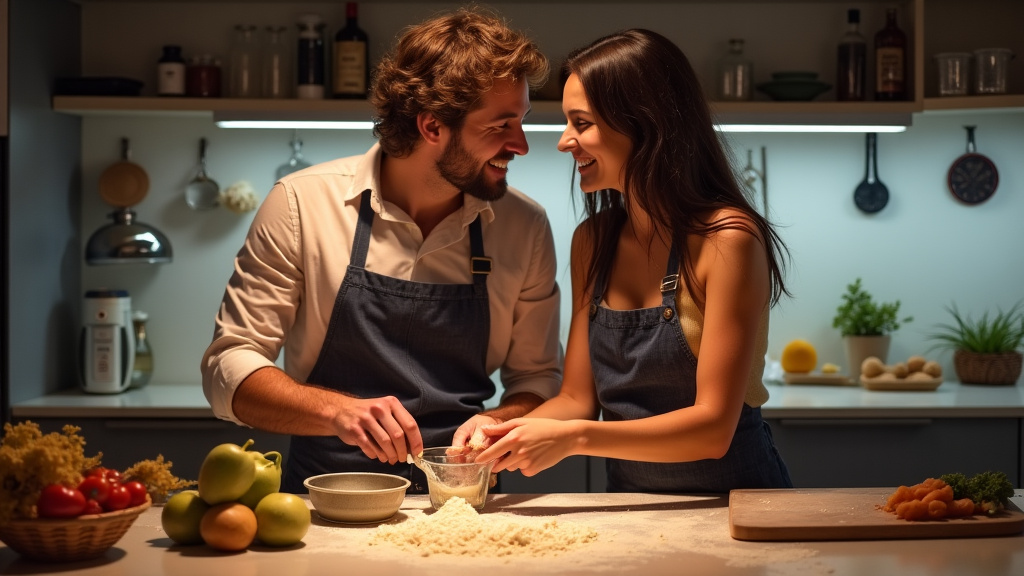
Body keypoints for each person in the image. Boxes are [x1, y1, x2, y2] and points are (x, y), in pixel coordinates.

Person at [200, 8, 562, 494]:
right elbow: (230, 367)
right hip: (323, 498)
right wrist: (338, 412)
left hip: (462, 503)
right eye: (500, 125)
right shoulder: (301, 203)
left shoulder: (524, 225)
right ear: (432, 127)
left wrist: (500, 422)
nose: (520, 144)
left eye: (522, 121)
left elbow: (539, 379)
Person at [475, 29, 793, 493]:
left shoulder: (728, 240)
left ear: (644, 125)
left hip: (736, 508)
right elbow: (576, 398)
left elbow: (712, 429)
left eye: (581, 123)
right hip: (632, 510)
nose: (565, 142)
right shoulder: (593, 240)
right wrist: (498, 432)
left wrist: (575, 437)